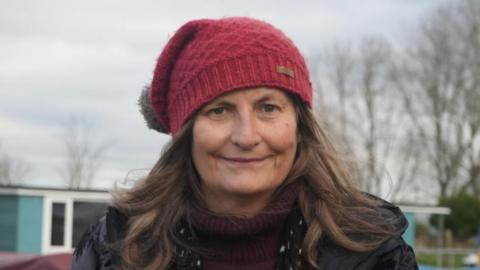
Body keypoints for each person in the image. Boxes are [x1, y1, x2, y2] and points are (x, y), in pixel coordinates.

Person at [71, 17, 418, 270]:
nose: (246, 136)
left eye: (268, 108)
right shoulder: (114, 249)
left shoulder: (371, 252)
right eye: (219, 110)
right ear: (185, 134)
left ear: (299, 126)